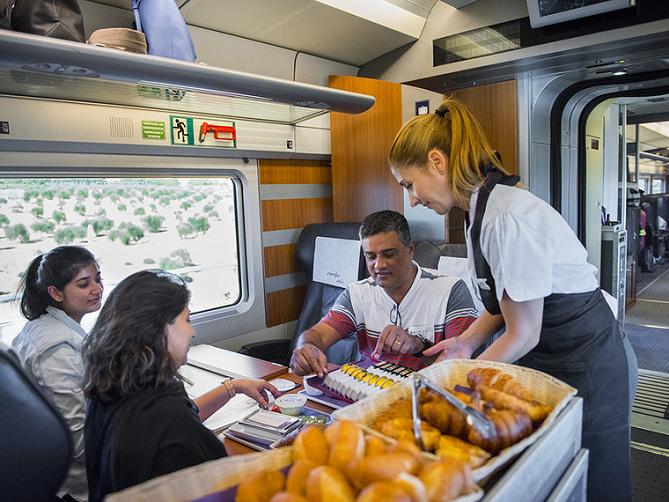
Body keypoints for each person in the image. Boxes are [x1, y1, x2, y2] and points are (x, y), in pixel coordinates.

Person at [388, 97, 637, 501]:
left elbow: (523, 333)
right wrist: (468, 340)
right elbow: (504, 302)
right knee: (553, 478)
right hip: (555, 359)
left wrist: (454, 381)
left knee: (596, 485)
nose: (412, 199)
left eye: (409, 185)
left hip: (589, 361)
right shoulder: (476, 214)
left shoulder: (507, 215)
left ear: (437, 162)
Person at [82, 269, 280, 501]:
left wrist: (234, 387)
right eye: (187, 320)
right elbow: (227, 489)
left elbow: (186, 413)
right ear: (157, 329)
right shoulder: (168, 419)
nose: (193, 332)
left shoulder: (113, 390)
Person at [290, 210, 478, 375]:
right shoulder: (357, 293)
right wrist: (306, 348)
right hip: (369, 392)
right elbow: (318, 335)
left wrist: (416, 346)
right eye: (371, 256)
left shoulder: (451, 290)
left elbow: (458, 363)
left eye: (389, 254)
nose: (378, 265)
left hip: (427, 396)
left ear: (410, 249)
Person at [12, 246, 103, 502]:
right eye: (84, 284)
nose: (97, 289)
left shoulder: (43, 327)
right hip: (76, 487)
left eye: (98, 279)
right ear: (55, 293)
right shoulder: (56, 349)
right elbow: (80, 442)